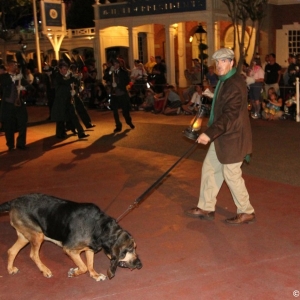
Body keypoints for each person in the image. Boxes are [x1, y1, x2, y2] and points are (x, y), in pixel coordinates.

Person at [185, 48, 255, 225]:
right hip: (222, 137)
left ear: (231, 63)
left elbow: (230, 115)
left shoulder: (234, 83)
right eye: (217, 62)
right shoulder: (225, 81)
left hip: (233, 137)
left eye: (223, 61)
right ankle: (206, 207)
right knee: (210, 168)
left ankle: (246, 211)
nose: (219, 65)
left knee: (231, 174)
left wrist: (208, 134)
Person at [51, 61, 89, 139]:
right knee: (60, 118)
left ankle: (81, 132)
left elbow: (74, 82)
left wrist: (77, 78)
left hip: (68, 99)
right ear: (60, 69)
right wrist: (72, 77)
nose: (65, 71)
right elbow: (65, 83)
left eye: (66, 69)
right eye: (64, 69)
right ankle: (59, 134)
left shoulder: (68, 77)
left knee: (74, 116)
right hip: (60, 101)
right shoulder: (58, 77)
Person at [0, 60, 32, 150]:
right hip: (8, 105)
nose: (15, 67)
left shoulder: (20, 77)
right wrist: (14, 78)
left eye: (16, 65)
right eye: (13, 65)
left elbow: (31, 87)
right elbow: (4, 83)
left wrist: (24, 87)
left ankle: (21, 143)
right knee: (9, 125)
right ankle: (10, 145)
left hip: (19, 104)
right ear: (8, 67)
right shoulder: (3, 76)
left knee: (23, 123)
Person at [110, 59, 135, 132]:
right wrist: (110, 72)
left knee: (125, 110)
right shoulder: (111, 72)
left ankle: (129, 121)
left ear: (119, 64)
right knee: (115, 111)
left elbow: (127, 81)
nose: (115, 65)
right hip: (114, 94)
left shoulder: (124, 72)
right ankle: (118, 125)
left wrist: (118, 83)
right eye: (114, 64)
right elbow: (105, 77)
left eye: (116, 63)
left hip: (122, 93)